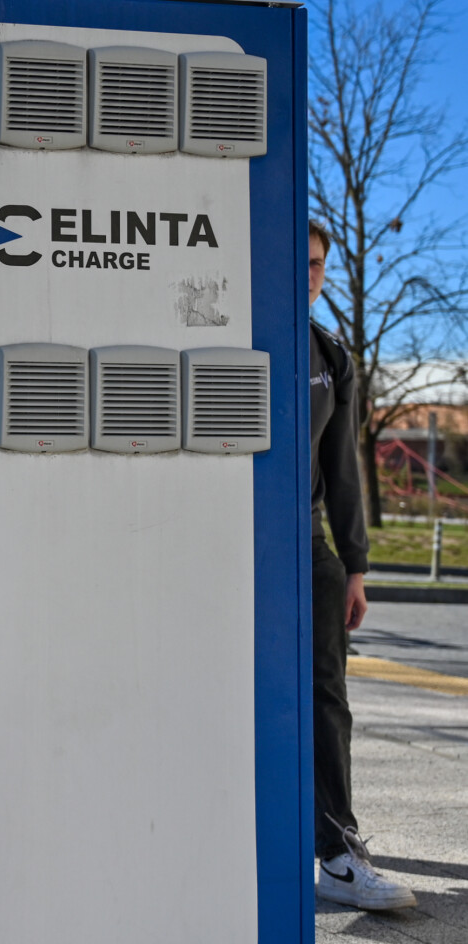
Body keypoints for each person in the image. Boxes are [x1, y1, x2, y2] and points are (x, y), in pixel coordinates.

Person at [308, 221, 416, 911]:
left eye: (316, 264)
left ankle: (336, 854)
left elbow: (342, 468)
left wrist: (355, 566)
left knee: (326, 699)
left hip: (304, 543)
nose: (307, 275)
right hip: (213, 546)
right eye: (298, 262)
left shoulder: (329, 353)